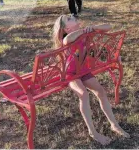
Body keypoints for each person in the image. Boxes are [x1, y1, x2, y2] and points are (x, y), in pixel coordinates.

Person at [52, 15, 130, 145]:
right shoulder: (67, 38)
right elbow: (68, 39)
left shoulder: (85, 31)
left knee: (100, 91)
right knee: (83, 94)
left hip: (83, 71)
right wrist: (84, 31)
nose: (72, 16)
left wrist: (93, 28)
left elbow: (108, 27)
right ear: (66, 28)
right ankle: (92, 132)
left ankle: (114, 124)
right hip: (70, 74)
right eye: (69, 18)